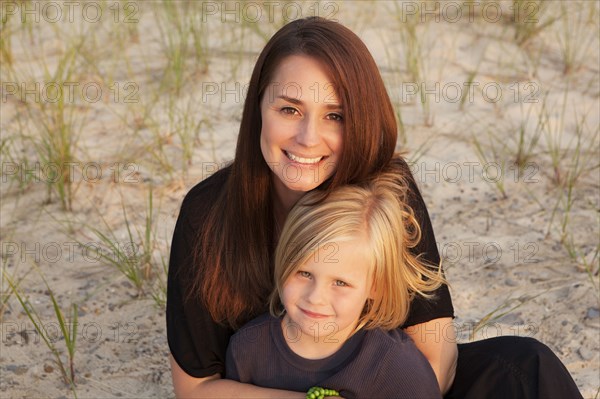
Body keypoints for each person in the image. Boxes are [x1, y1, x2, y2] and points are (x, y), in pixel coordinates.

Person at [167, 16, 583, 399]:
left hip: (387, 384)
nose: (308, 138)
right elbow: (197, 388)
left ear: (360, 120)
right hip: (271, 387)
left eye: (335, 116)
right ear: (259, 108)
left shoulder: (386, 191)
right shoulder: (208, 213)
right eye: (289, 109)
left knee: (525, 366)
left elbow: (435, 354)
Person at [226, 174, 445, 398]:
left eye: (340, 283)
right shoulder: (247, 349)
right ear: (282, 261)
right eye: (304, 273)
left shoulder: (396, 366)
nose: (315, 297)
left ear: (376, 287)